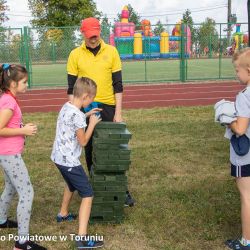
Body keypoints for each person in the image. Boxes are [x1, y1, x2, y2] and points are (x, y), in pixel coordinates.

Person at [67, 17, 135, 207]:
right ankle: (95, 187)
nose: (93, 39)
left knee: (113, 149)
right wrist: (74, 114)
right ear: (83, 33)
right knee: (89, 149)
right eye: (89, 36)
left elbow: (118, 84)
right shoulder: (75, 55)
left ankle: (122, 191)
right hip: (85, 107)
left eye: (95, 35)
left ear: (100, 32)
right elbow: (71, 88)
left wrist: (118, 112)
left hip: (108, 106)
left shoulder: (112, 51)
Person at [51, 77, 104, 249]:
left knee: (70, 183)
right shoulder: (78, 117)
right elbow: (83, 141)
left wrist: (86, 114)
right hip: (69, 161)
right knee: (87, 193)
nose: (92, 101)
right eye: (92, 98)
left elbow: (74, 117)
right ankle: (82, 238)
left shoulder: (66, 106)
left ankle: (63, 214)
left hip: (58, 158)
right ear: (86, 96)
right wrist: (92, 123)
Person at [0, 64, 46, 250]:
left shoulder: (6, 98)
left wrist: (21, 128)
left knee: (10, 187)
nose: (27, 84)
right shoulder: (9, 102)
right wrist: (23, 130)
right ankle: (22, 243)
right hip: (9, 155)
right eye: (24, 82)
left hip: (6, 154)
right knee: (27, 193)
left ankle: (1, 220)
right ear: (12, 83)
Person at [224, 48, 250, 250]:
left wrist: (227, 120)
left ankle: (246, 241)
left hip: (245, 154)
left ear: (248, 70)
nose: (236, 74)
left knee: (246, 196)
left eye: (237, 70)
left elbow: (240, 129)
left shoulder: (244, 96)